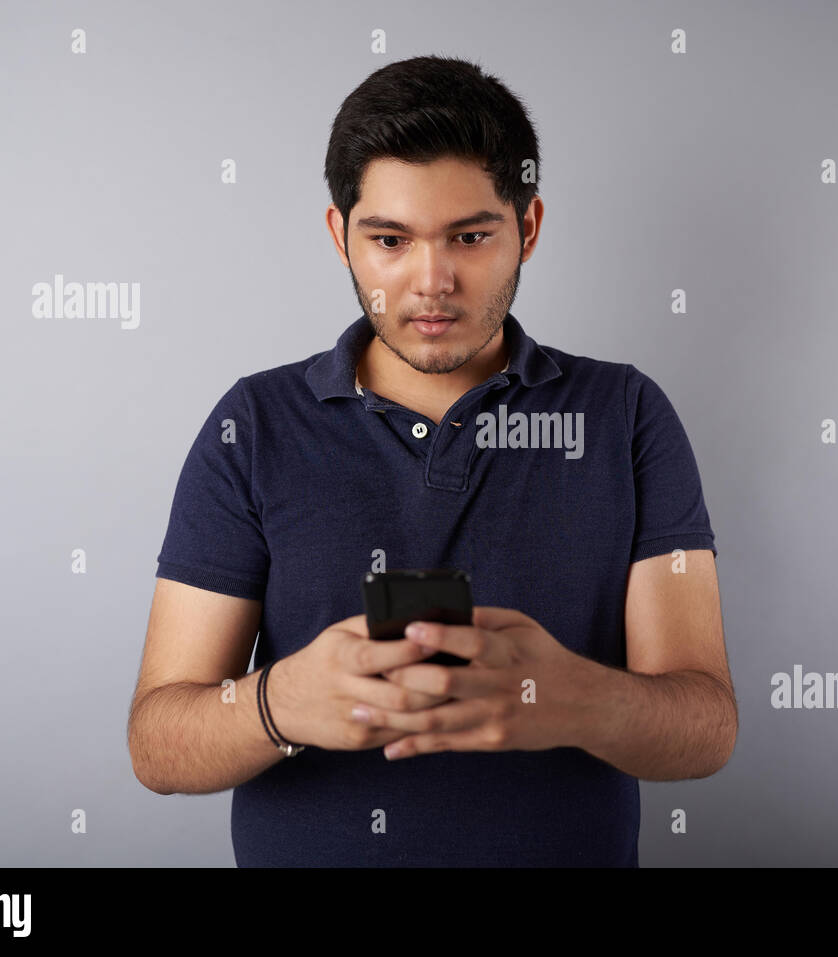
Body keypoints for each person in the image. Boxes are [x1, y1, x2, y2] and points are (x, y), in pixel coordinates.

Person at [127, 54, 736, 867]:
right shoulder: (255, 424)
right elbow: (156, 744)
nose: (432, 282)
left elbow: (707, 725)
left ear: (528, 227)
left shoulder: (624, 415)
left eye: (471, 236)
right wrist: (281, 704)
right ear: (341, 236)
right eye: (390, 239)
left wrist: (575, 699)